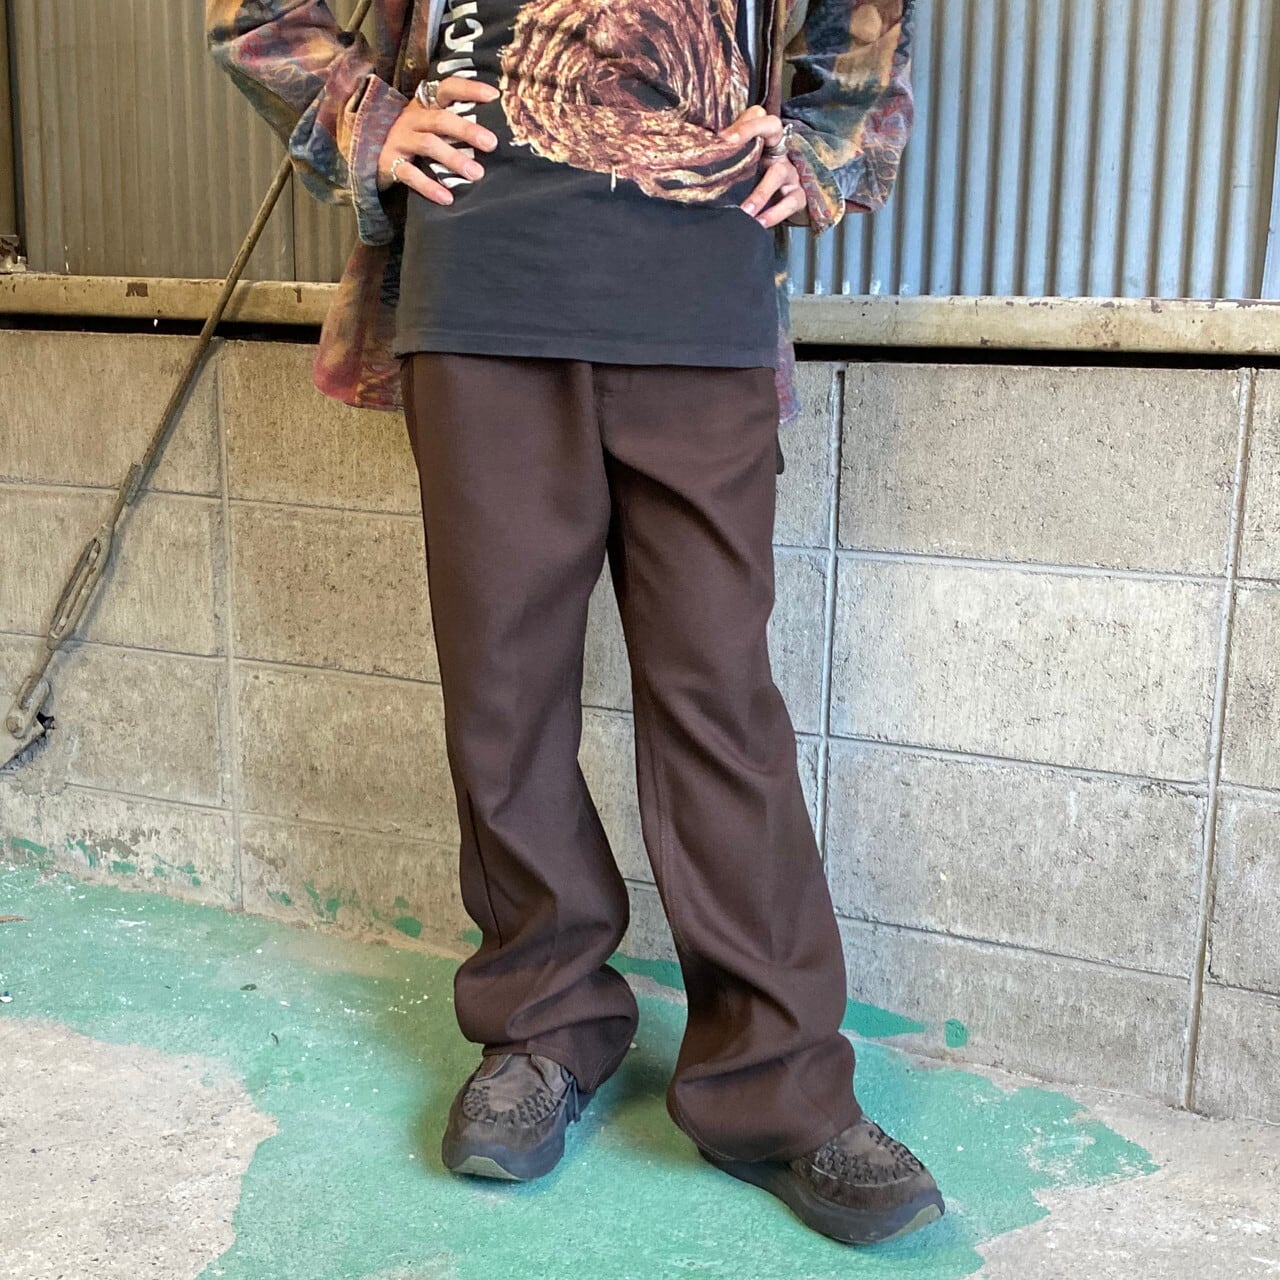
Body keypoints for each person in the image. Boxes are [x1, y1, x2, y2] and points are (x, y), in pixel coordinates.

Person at [206, 0, 940, 1246]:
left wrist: (823, 145)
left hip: (700, 281)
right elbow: (255, 11)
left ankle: (775, 1081)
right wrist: (364, 117)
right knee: (502, 690)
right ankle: (542, 1023)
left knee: (718, 698)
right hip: (482, 276)